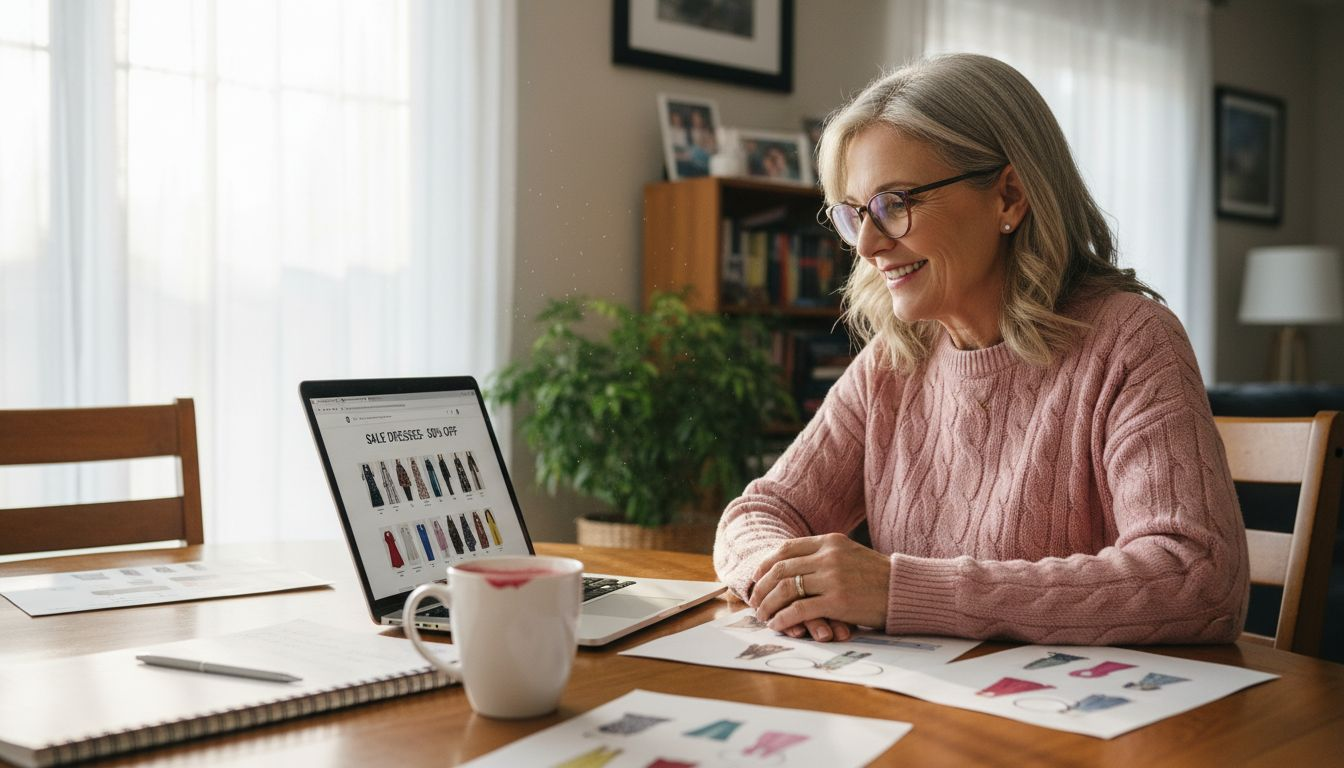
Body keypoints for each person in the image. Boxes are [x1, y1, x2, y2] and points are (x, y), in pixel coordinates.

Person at [713, 53, 1248, 646]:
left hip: (1081, 723)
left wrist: (897, 590)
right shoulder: (895, 361)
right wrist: (790, 584)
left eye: (896, 204)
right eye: (854, 213)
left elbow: (1197, 577)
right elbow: (754, 515)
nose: (866, 243)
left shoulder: (1133, 341)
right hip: (927, 707)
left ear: (1009, 198)